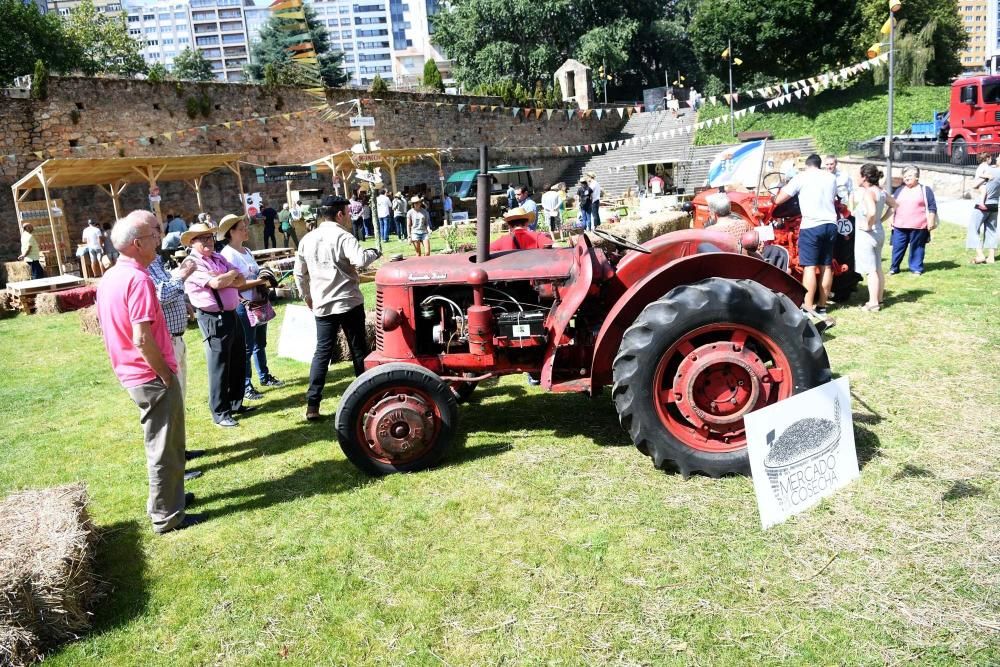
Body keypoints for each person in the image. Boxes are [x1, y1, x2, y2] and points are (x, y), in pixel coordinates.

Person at [95, 210, 200, 534]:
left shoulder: (111, 276)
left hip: (132, 372)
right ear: (138, 243)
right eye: (153, 235)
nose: (159, 238)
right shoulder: (137, 279)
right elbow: (142, 337)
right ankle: (166, 516)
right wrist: (165, 375)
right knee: (163, 447)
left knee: (163, 444)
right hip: (150, 375)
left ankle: (170, 498)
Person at [294, 195, 381, 421]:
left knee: (322, 353)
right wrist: (375, 252)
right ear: (339, 214)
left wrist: (307, 297)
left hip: (323, 303)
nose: (350, 217)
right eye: (348, 213)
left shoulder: (307, 239)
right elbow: (361, 260)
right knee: (359, 350)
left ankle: (312, 405)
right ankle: (369, 397)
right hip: (348, 301)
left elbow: (298, 274)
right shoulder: (343, 236)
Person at [182, 221, 251, 428]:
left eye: (209, 237)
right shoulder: (191, 263)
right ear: (192, 242)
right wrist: (226, 277)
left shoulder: (218, 257)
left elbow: (240, 279)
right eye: (202, 238)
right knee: (219, 365)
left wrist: (225, 277)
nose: (208, 241)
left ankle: (235, 403)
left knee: (238, 358)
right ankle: (220, 412)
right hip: (213, 318)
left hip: (231, 313)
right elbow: (216, 283)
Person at [217, 214, 285, 402]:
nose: (246, 230)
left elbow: (252, 273)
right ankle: (246, 385)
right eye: (242, 228)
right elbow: (235, 284)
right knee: (247, 347)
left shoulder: (246, 250)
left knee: (260, 343)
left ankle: (264, 376)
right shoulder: (227, 255)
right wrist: (261, 280)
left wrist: (264, 274)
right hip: (243, 305)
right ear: (231, 232)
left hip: (258, 302)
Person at [773, 153, 838, 318]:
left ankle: (808, 307)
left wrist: (776, 195)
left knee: (809, 266)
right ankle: (822, 306)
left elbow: (779, 200)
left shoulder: (801, 177)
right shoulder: (830, 177)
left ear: (806, 165)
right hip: (831, 223)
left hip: (811, 225)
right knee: (827, 266)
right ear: (819, 164)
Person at [148, 251, 196, 397]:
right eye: (155, 230)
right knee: (173, 394)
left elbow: (168, 290)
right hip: (166, 341)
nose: (159, 234)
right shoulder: (144, 265)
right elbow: (160, 296)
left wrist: (183, 302)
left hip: (176, 339)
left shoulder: (155, 260)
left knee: (180, 391)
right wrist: (182, 275)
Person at [851, 164, 897, 312]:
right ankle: (880, 299)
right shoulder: (881, 191)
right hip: (879, 233)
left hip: (868, 234)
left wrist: (869, 225)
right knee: (877, 267)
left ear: (864, 177)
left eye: (858, 175)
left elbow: (871, 212)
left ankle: (873, 303)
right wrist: (881, 220)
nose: (856, 177)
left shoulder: (868, 193)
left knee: (871, 271)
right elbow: (895, 206)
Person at [890, 165, 937, 276]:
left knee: (917, 247)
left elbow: (932, 207)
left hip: (919, 225)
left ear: (917, 177)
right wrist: (891, 219)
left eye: (910, 175)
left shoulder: (925, 190)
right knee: (897, 247)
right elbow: (893, 205)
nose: (906, 178)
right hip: (899, 225)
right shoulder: (899, 190)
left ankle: (916, 268)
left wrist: (931, 220)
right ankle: (894, 268)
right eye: (905, 176)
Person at [968, 154, 999, 264]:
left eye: (999, 157)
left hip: (983, 205)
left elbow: (975, 185)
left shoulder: (989, 171)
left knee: (973, 229)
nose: (996, 158)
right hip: (995, 205)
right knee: (991, 231)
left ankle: (980, 255)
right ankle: (991, 258)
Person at [489, 207, 554, 251]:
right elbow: (555, 247)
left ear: (509, 225)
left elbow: (486, 250)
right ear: (527, 223)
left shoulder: (502, 240)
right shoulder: (537, 237)